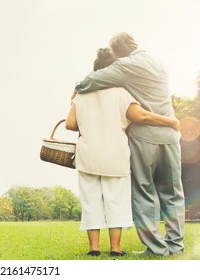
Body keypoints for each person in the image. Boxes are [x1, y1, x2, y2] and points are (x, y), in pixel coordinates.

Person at [74, 32, 185, 256]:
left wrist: (77, 87)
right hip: (170, 136)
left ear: (118, 51)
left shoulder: (124, 65)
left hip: (145, 138)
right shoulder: (160, 63)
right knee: (173, 192)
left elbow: (90, 81)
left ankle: (156, 247)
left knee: (144, 191)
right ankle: (175, 244)